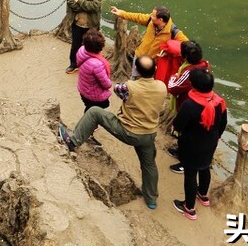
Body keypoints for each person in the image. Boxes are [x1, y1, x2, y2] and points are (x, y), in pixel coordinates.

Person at [58, 55, 167, 209]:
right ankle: (151, 199)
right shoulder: (162, 87)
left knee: (94, 111)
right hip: (148, 134)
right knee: (149, 165)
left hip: (128, 131)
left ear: (136, 70)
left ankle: (73, 141)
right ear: (155, 69)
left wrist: (134, 79)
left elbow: (117, 90)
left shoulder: (129, 87)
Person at [170, 69, 227, 220]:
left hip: (191, 145)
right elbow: (223, 124)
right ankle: (203, 195)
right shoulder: (219, 102)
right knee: (205, 167)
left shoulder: (190, 104)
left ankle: (189, 208)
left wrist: (176, 130)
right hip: (210, 143)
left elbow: (178, 125)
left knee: (190, 173)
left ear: (194, 86)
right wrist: (216, 137)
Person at [109, 4, 188, 63]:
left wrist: (168, 53)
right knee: (134, 77)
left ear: (160, 20)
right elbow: (137, 17)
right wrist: (121, 13)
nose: (151, 16)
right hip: (139, 55)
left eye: (153, 15)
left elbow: (188, 47)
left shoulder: (173, 32)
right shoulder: (150, 20)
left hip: (152, 63)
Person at [66, 0, 103, 73]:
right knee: (75, 45)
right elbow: (70, 1)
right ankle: (74, 64)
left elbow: (95, 6)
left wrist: (79, 1)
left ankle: (90, 67)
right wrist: (84, 6)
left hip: (91, 24)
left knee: (91, 46)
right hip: (77, 22)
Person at [75, 27, 112, 111]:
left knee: (89, 108)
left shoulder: (81, 50)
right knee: (96, 110)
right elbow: (107, 84)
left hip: (83, 89)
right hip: (94, 96)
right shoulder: (97, 65)